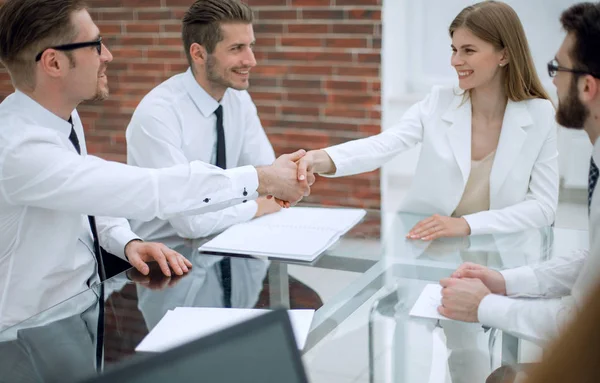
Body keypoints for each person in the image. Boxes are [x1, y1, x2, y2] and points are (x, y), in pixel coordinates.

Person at [0, 0, 313, 330]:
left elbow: (88, 201)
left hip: (81, 311)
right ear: (53, 62)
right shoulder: (19, 148)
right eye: (95, 44)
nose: (107, 55)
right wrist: (262, 179)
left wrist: (127, 241)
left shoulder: (61, 119)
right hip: (27, 335)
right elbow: (150, 188)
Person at [295, 0, 559, 240]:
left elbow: (544, 207)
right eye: (454, 49)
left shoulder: (540, 114)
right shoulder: (440, 100)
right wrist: (316, 159)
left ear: (504, 54)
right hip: (427, 245)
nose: (455, 61)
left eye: (468, 50)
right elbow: (384, 144)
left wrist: (467, 224)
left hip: (500, 251)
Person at [437, 1, 600, 347]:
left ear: (588, 87)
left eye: (558, 69)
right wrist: (506, 281)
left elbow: (588, 328)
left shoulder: (536, 114)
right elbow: (594, 264)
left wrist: (486, 306)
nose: (552, 81)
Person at [127, 0, 281, 242]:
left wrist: (265, 196)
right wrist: (257, 206)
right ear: (199, 53)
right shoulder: (157, 114)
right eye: (237, 48)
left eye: (250, 46)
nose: (251, 60)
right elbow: (191, 223)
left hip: (230, 243)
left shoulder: (238, 101)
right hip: (165, 264)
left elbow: (272, 180)